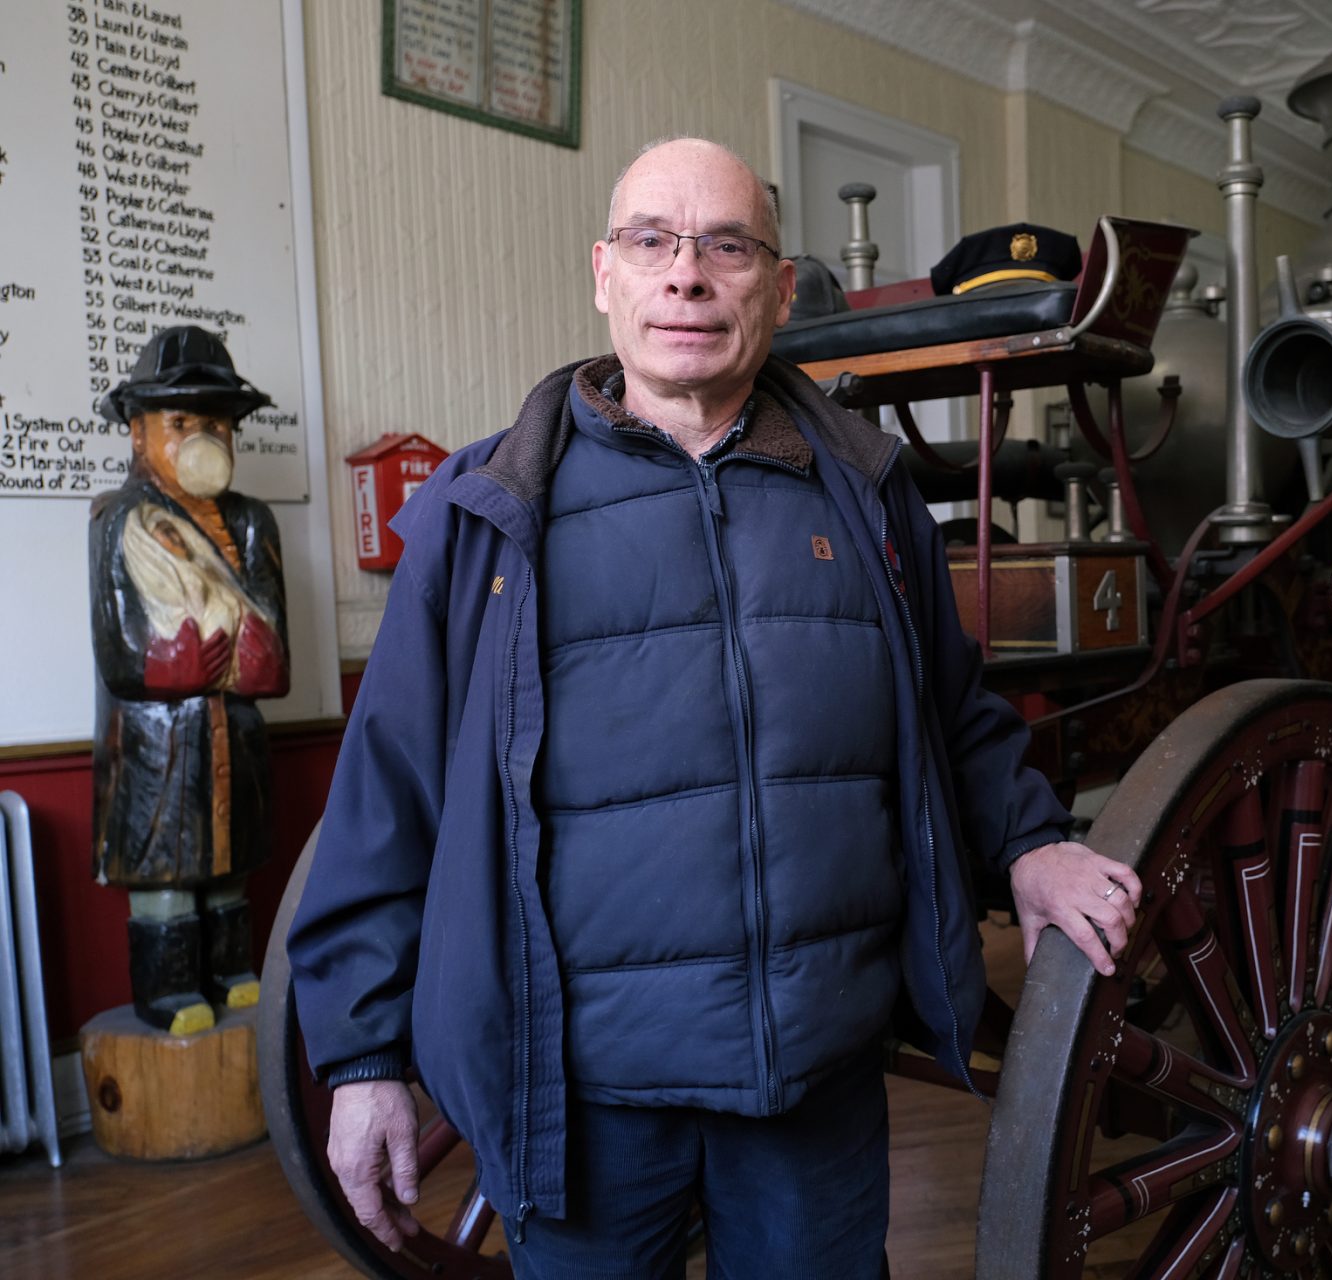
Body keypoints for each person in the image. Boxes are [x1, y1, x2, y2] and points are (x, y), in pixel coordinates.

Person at [287, 137, 1142, 1278]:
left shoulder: (870, 493)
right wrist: (360, 1060)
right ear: (605, 273)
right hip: (577, 1097)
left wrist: (1032, 841)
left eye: (727, 246)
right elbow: (385, 797)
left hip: (816, 1080)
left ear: (780, 288)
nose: (687, 274)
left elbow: (951, 715)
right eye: (654, 241)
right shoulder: (489, 515)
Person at [90, 325, 290, 1035]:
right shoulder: (120, 522)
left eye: (213, 423)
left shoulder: (253, 522)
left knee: (230, 867)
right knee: (169, 873)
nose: (200, 438)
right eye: (180, 422)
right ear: (140, 433)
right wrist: (164, 667)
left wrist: (262, 665)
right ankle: (170, 988)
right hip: (157, 745)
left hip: (233, 734)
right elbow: (117, 646)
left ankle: (234, 971)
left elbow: (272, 638)